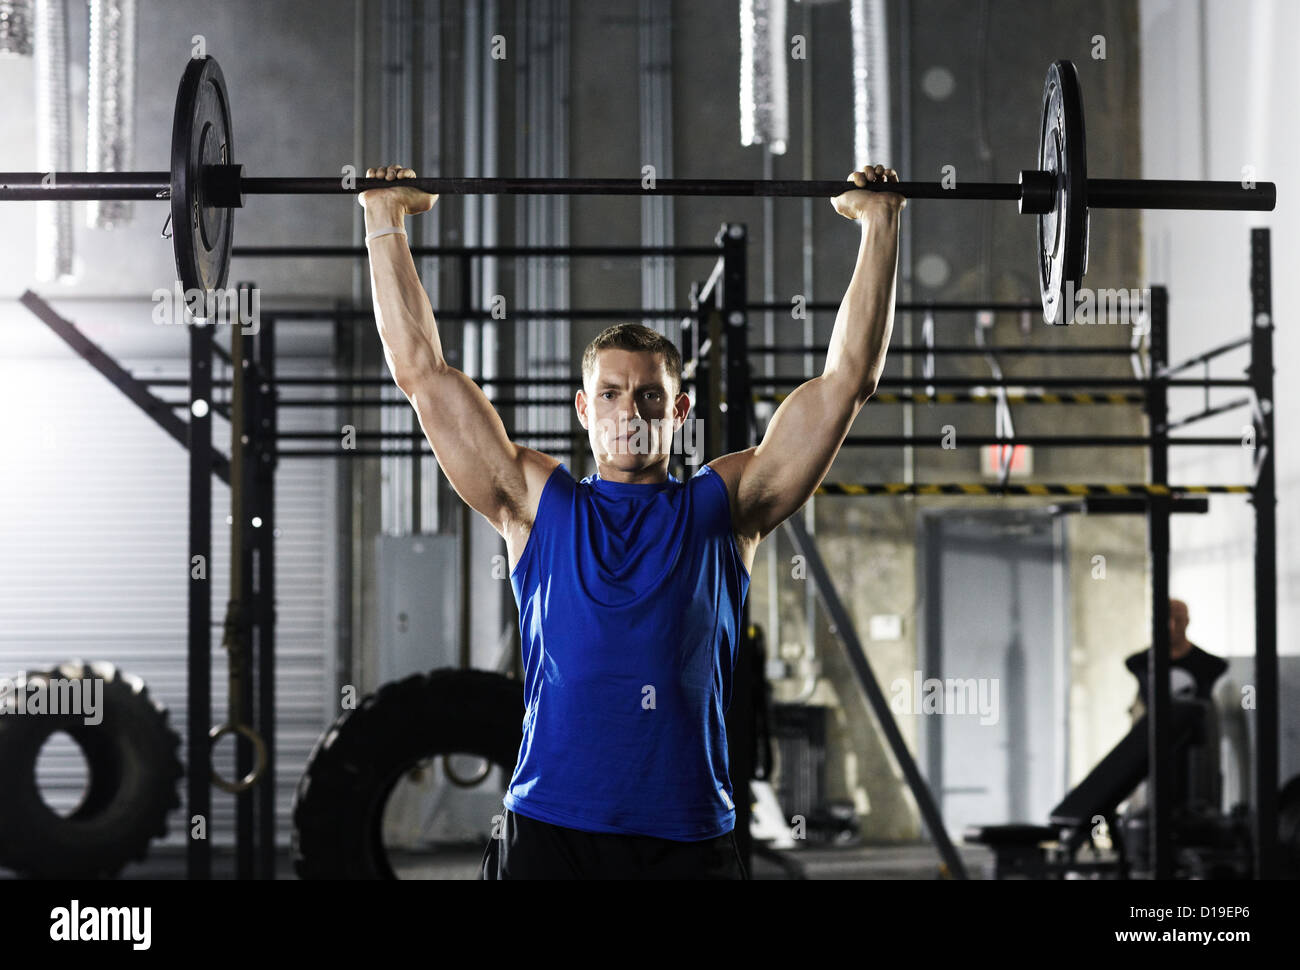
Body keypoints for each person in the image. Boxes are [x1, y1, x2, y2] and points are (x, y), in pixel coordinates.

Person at [358, 163, 904, 879]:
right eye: (610, 394)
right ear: (584, 410)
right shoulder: (535, 503)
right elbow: (422, 374)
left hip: (685, 839)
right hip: (551, 831)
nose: (629, 412)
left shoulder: (723, 509)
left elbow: (846, 386)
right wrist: (382, 218)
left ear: (679, 412)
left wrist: (880, 223)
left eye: (650, 396)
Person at [1124, 598, 1228, 709]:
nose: (1172, 626)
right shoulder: (1140, 663)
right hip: (1153, 726)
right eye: (1166, 619)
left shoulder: (1210, 664)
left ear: (1187, 621)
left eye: (1178, 619)